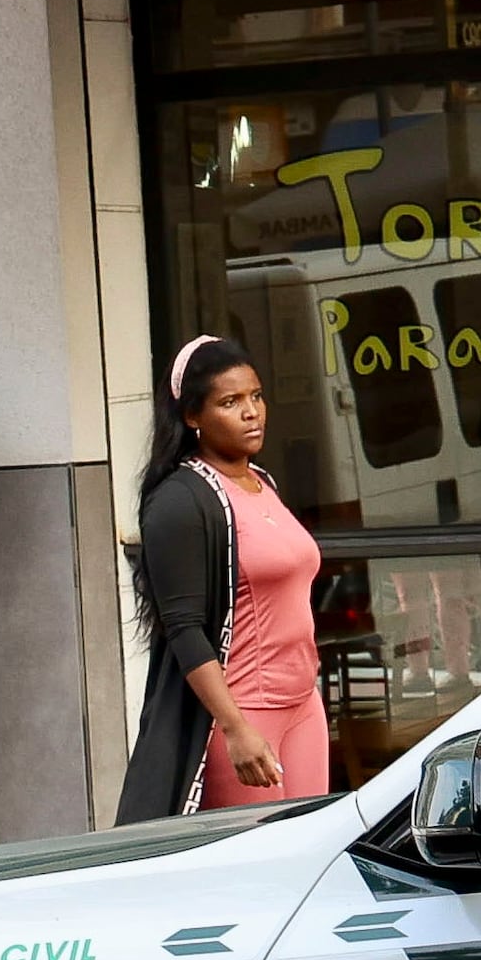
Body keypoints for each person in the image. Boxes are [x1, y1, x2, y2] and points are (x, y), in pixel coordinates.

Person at [116, 335, 329, 819]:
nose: (251, 412)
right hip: (245, 713)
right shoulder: (181, 500)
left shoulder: (262, 482)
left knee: (305, 864)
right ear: (192, 416)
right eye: (230, 402)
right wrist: (235, 728)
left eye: (255, 396)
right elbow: (184, 628)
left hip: (302, 706)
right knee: (255, 875)